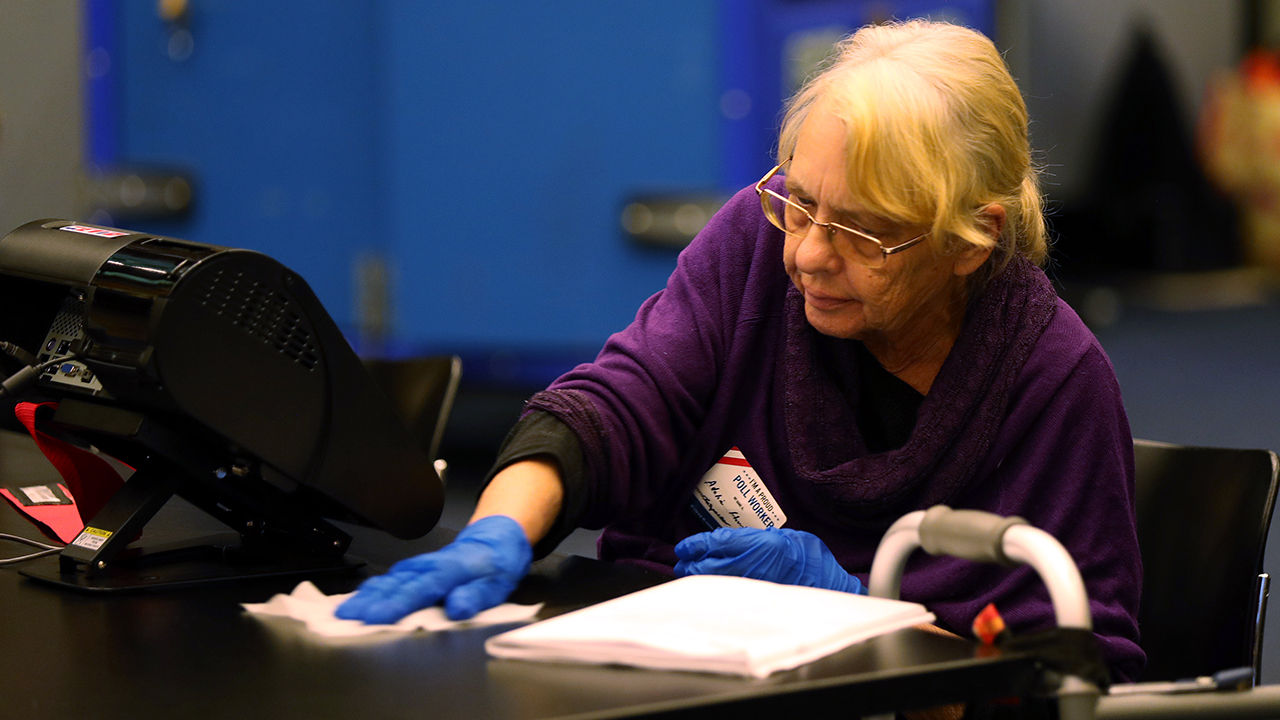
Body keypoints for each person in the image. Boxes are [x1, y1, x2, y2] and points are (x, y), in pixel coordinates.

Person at [339, 19, 1144, 681]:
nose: (808, 256)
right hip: (673, 677)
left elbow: (1071, 676)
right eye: (799, 203)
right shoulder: (755, 248)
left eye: (864, 231)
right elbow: (621, 401)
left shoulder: (1051, 383)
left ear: (974, 240)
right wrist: (501, 526)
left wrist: (864, 615)